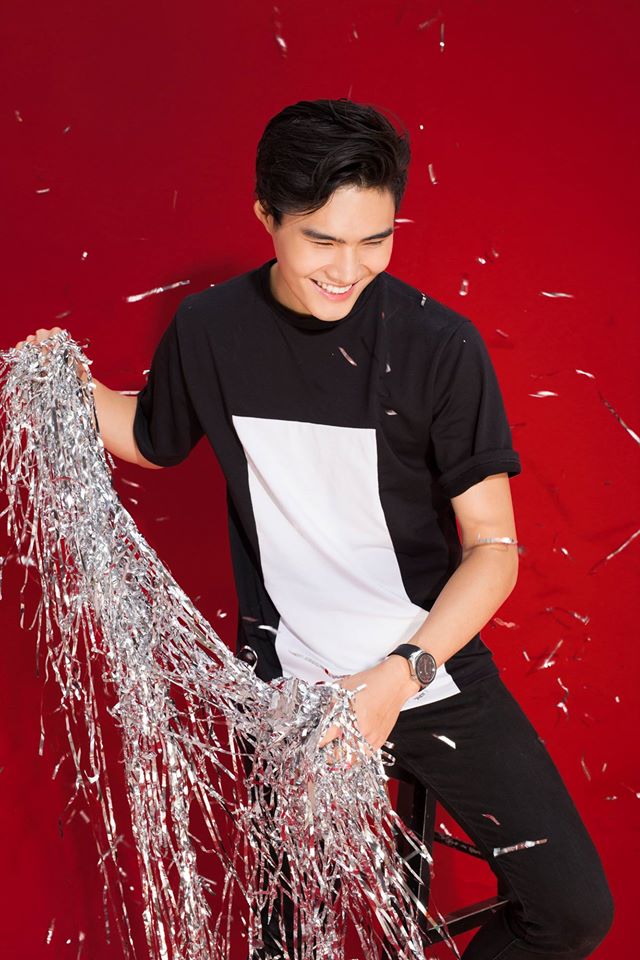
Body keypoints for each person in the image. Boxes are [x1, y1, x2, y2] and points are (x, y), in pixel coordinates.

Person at [15, 98, 613, 959]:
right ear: (266, 215)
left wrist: (399, 676)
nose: (349, 268)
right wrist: (63, 383)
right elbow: (151, 435)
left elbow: (493, 547)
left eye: (375, 240)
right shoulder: (210, 330)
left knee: (573, 909)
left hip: (425, 665)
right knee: (290, 941)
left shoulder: (440, 345)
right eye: (322, 241)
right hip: (288, 689)